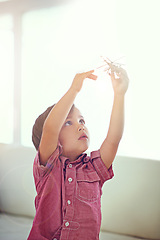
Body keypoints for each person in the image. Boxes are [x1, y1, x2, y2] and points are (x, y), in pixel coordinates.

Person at [28, 65, 129, 240]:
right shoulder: (48, 167)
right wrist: (74, 89)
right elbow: (50, 129)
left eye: (82, 120)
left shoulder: (94, 169)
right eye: (68, 122)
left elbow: (113, 139)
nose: (81, 125)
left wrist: (119, 95)